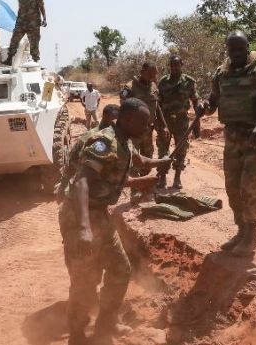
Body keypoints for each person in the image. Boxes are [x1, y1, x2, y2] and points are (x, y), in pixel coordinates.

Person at [59, 98, 171, 344]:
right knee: (85, 280)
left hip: (101, 214)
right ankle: (77, 335)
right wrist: (84, 228)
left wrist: (161, 163)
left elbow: (141, 162)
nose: (147, 127)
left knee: (120, 268)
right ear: (128, 120)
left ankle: (106, 324)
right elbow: (81, 182)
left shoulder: (125, 143)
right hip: (80, 214)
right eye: (143, 122)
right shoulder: (104, 143)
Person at [199, 31, 256, 257]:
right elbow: (213, 100)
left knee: (248, 184)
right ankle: (241, 230)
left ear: (247, 47)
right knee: (232, 185)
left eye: (240, 49)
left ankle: (251, 236)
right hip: (233, 136)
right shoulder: (221, 73)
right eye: (232, 49)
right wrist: (204, 106)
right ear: (227, 49)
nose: (236, 53)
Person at [55, 104, 120, 195]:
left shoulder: (114, 136)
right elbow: (72, 160)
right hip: (83, 188)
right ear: (106, 118)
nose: (119, 122)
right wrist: (63, 186)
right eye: (116, 119)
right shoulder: (91, 136)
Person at [156, 55, 199, 190]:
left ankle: (177, 177)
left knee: (181, 149)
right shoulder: (163, 81)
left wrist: (197, 123)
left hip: (182, 120)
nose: (174, 67)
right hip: (166, 120)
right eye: (172, 65)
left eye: (177, 65)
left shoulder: (189, 82)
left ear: (182, 65)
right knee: (163, 149)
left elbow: (195, 101)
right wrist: (159, 124)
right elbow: (158, 104)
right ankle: (162, 177)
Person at [120, 62, 168, 177]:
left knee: (148, 159)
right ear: (142, 72)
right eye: (150, 73)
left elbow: (157, 107)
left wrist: (164, 125)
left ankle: (142, 183)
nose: (153, 76)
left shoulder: (153, 86)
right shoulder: (130, 87)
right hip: (133, 131)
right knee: (133, 160)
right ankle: (135, 189)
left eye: (155, 74)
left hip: (147, 130)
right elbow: (123, 109)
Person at [4, 0, 46, 64]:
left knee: (34, 43)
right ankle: (9, 58)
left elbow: (41, 7)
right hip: (21, 23)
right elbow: (20, 9)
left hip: (33, 23)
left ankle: (35, 61)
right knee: (14, 40)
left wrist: (44, 18)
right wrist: (17, 21)